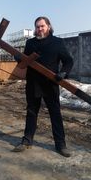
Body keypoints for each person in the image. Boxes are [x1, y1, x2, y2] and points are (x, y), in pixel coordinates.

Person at [13, 16, 73, 157]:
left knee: (55, 114)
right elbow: (24, 60)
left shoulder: (57, 43)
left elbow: (68, 61)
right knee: (31, 112)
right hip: (33, 84)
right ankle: (27, 140)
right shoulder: (30, 43)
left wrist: (63, 73)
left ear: (48, 26)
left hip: (50, 84)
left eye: (42, 26)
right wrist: (18, 57)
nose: (39, 29)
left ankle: (60, 145)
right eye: (37, 27)